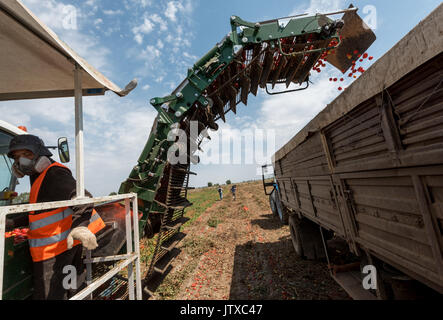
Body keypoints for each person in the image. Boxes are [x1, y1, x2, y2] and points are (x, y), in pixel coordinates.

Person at [6, 134, 106, 300]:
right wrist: (12, 222)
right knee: (72, 290)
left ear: (40, 155)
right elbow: (40, 211)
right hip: (61, 246)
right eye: (17, 157)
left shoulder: (54, 174)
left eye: (27, 154)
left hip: (55, 251)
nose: (21, 161)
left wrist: (80, 227)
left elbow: (84, 199)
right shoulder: (38, 177)